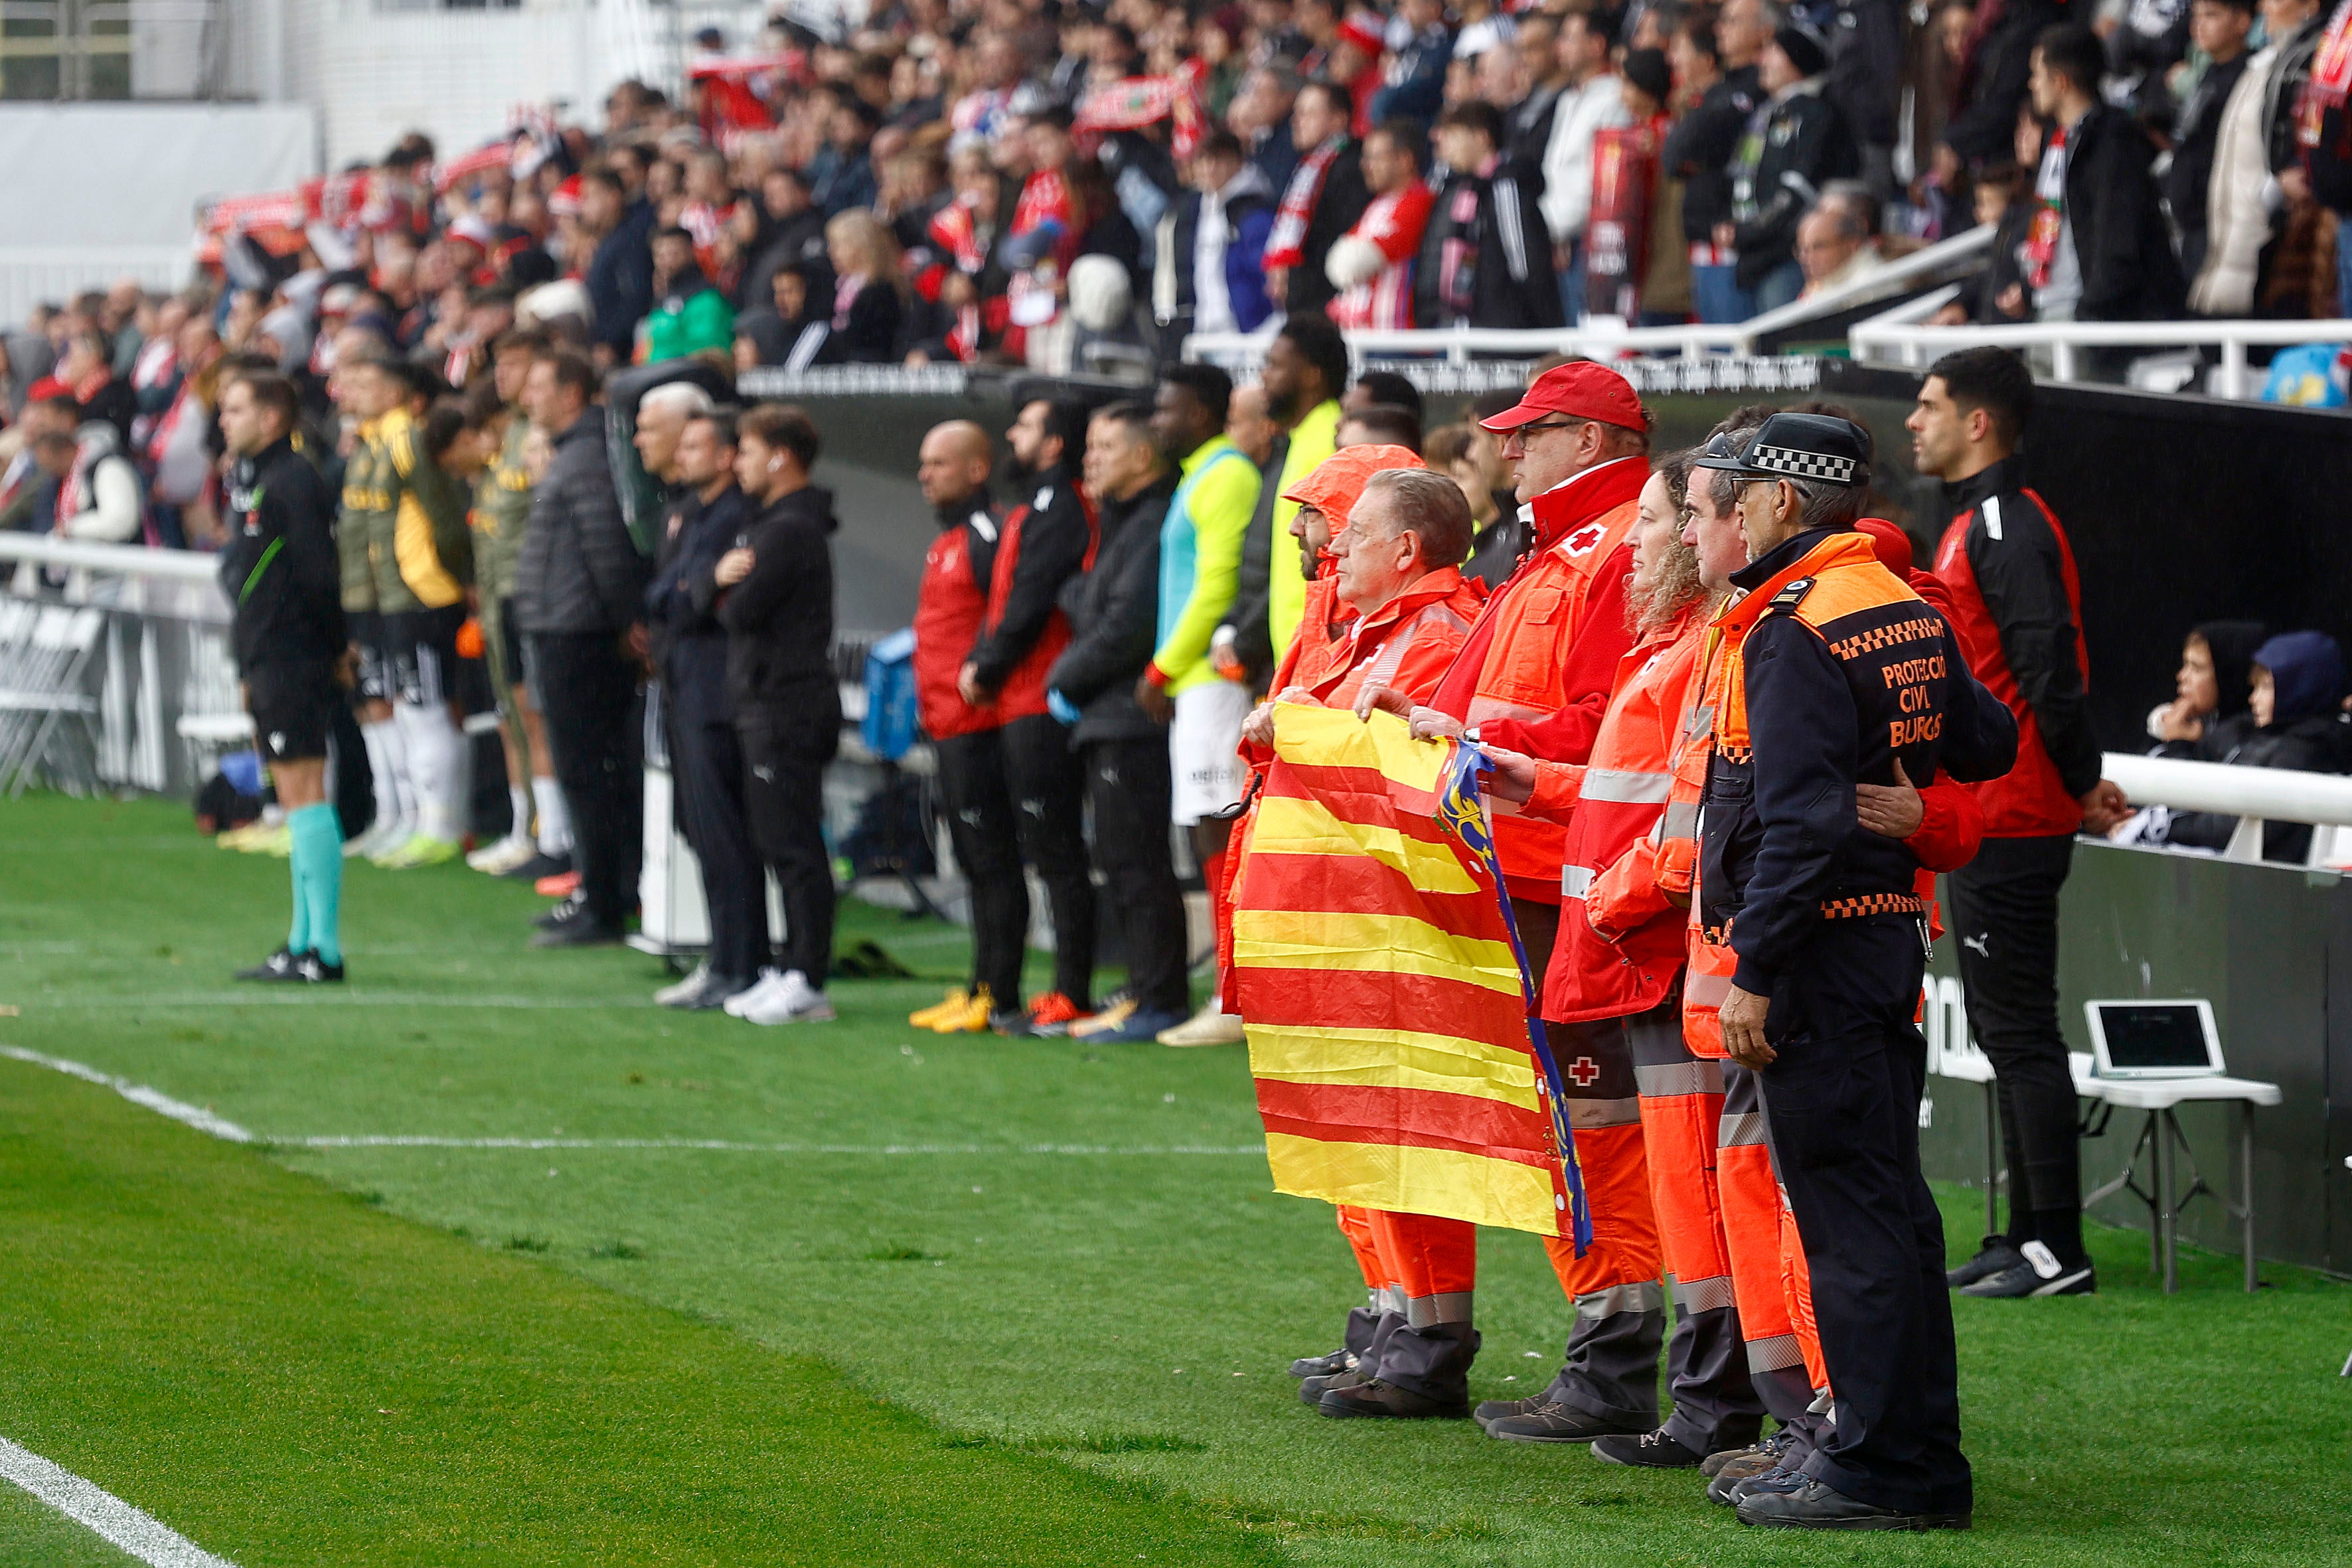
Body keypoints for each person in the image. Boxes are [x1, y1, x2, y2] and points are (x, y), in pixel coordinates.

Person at [1695, 412, 2017, 1529]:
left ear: (1780, 503)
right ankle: (1904, 1454)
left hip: (1821, 952)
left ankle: (1879, 1468)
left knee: (1850, 1217)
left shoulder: (1791, 626)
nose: (1707, 526)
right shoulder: (1900, 600)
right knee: (1890, 1211)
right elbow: (1987, 745)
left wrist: (1753, 972)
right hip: (1882, 943)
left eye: (1718, 504)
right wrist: (1917, 798)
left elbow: (1793, 828)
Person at [1358, 360, 1656, 1442]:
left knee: (1591, 1125)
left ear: (1585, 440)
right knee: (1569, 1123)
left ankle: (1617, 1360)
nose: (1504, 450)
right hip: (1522, 865)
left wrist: (1479, 741)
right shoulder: (1555, 551)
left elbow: (1606, 726)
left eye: (1526, 434)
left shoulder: (1605, 550)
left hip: (1558, 876)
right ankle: (1611, 1353)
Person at [1470, 453, 1764, 1469]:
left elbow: (1686, 823)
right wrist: (1529, 780)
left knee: (1700, 1187)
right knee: (1678, 1183)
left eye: (1663, 519)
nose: (1650, 540)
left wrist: (1611, 896)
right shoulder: (1674, 640)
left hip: (1662, 953)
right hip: (1630, 952)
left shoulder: (1704, 646)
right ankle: (1700, 1403)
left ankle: (1717, 1408)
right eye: (1650, 520)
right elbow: (1624, 790)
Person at [1909, 347, 2127, 1300]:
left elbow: (2047, 667)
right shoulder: (1974, 523)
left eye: (1927, 406)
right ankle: (2020, 1234)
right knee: (2005, 1031)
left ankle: (2056, 1247)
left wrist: (2080, 781)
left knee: (2021, 1030)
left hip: (2018, 811)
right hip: (1999, 810)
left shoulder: (2001, 524)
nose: (1913, 422)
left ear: (1977, 421)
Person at [1123, 363, 1259, 1048]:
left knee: (1223, 829)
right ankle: (1229, 992)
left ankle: (1238, 996)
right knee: (1208, 831)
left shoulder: (1227, 474)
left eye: (1168, 409)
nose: (1158, 422)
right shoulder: (1204, 474)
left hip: (1212, 674)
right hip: (1193, 678)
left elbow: (1218, 585)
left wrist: (1163, 666)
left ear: (1203, 412)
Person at [1048, 404, 1192, 1037]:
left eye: (1105, 445)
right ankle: (1141, 987)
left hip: (1130, 718)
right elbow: (1081, 600)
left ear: (1142, 455)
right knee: (1121, 858)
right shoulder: (1121, 521)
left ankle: (1160, 996)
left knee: (1137, 861)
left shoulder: (1153, 520)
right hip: (1106, 715)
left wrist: (1062, 677)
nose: (1090, 458)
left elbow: (1124, 623)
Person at [962, 398, 1101, 1036]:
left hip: (1040, 698)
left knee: (1058, 850)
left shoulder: (1062, 505)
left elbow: (1032, 597)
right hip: (1020, 696)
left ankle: (1071, 988)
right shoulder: (1040, 503)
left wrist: (987, 666)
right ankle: (1048, 987)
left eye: (1023, 425)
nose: (1012, 433)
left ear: (1051, 444)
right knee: (1044, 848)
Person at [513, 346, 649, 949]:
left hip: (582, 634)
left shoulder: (587, 457)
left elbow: (605, 547)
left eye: (539, 386)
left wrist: (625, 622)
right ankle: (601, 892)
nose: (527, 398)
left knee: (591, 772)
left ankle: (606, 901)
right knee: (587, 772)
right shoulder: (577, 455)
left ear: (572, 394)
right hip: (569, 626)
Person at [712, 405, 842, 1026]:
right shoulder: (777, 524)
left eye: (745, 449)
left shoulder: (788, 531)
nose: (736, 461)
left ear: (779, 456)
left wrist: (723, 585)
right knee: (778, 841)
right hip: (770, 700)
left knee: (793, 844)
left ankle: (808, 978)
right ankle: (791, 967)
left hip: (786, 703)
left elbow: (740, 612)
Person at [220, 372, 347, 985]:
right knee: (294, 798)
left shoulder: (293, 482)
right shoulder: (257, 480)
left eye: (237, 408)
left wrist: (331, 648)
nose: (225, 420)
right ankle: (301, 939)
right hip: (270, 655)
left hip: (294, 655)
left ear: (272, 417)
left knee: (304, 791)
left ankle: (322, 949)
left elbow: (318, 578)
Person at [907, 421, 1032, 1034]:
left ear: (978, 469)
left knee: (993, 860)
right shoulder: (951, 539)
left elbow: (1005, 618)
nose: (926, 474)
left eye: (939, 463)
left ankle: (1000, 993)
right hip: (947, 724)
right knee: (975, 860)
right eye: (924, 463)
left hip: (979, 724)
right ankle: (978, 985)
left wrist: (982, 677)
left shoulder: (990, 534)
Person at [643, 400, 766, 1011]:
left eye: (695, 447)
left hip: (714, 692)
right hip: (684, 684)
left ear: (725, 456)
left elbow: (687, 601)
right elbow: (665, 593)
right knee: (700, 829)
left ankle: (740, 963)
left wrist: (693, 589)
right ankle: (728, 958)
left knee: (725, 834)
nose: (681, 456)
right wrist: (691, 587)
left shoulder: (736, 517)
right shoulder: (690, 515)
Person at [466, 331, 571, 882]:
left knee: (536, 717)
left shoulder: (545, 441)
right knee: (514, 716)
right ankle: (525, 828)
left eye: (518, 367)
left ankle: (553, 835)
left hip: (536, 599)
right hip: (502, 598)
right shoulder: (509, 441)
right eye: (501, 366)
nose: (506, 378)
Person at [2021, 24, 2186, 327]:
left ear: (2060, 81)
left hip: (2096, 318)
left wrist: (2094, 310)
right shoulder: (2056, 140)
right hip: (2052, 306)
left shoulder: (2114, 141)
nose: (2032, 85)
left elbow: (2118, 237)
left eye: (2037, 74)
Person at [1725, 19, 1859, 313]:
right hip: (1751, 255)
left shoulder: (1815, 114)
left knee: (1779, 347)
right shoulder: (1768, 112)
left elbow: (1798, 187)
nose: (1763, 60)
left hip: (1784, 256)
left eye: (1774, 51)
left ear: (1798, 59)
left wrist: (1750, 230)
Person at [1418, 100, 1565, 331]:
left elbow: (1525, 263)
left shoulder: (1506, 184)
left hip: (1511, 326)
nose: (1447, 147)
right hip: (1475, 323)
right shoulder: (1467, 189)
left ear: (1481, 138)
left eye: (1454, 136)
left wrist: (1544, 325)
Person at [1257, 315, 1348, 668]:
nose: (1264, 375)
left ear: (1312, 375)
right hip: (1296, 646)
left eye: (1276, 365)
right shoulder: (1305, 436)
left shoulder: (1330, 438)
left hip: (1316, 648)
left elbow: (1335, 550)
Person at [1665, 2, 1764, 323]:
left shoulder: (1757, 87)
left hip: (1731, 243)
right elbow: (1675, 154)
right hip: (1703, 242)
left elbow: (1688, 144)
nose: (1722, 29)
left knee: (1734, 357)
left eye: (1732, 21)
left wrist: (1697, 155)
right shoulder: (1720, 91)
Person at [1540, 3, 1634, 322]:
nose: (1559, 46)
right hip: (1563, 240)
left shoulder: (1616, 99)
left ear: (1596, 46)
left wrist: (1558, 228)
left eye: (1568, 37)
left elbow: (1602, 181)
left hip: (1595, 245)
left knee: (1596, 345)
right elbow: (1557, 172)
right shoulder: (1568, 99)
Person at [1262, 80, 1372, 321]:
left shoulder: (1351, 167)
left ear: (1339, 120)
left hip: (1328, 304)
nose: (1297, 121)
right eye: (1297, 113)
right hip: (1308, 301)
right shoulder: (1310, 167)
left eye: (1309, 113)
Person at [2165, 0, 2258, 285]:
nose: (2199, 25)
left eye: (2212, 15)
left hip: (2222, 224)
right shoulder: (2208, 73)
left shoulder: (2248, 76)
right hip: (2192, 225)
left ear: (2243, 22)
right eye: (2196, 16)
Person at [1156, 129, 1276, 343]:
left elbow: (1264, 273)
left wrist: (1260, 323)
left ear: (1238, 162)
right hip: (1203, 329)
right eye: (1203, 160)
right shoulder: (1193, 209)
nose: (1209, 169)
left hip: (1248, 332)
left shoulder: (1254, 211)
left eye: (1218, 160)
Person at [1326, 119, 1436, 329]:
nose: (1366, 166)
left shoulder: (1420, 200)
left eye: (1375, 158)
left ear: (1405, 160)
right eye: (1365, 158)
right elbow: (1339, 262)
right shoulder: (1376, 206)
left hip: (1394, 339)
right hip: (1360, 336)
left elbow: (1353, 263)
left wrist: (1345, 262)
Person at [644, 226, 736, 362]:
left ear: (691, 252)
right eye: (660, 255)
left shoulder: (707, 299)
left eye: (673, 253)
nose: (666, 262)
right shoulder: (661, 298)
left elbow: (708, 356)